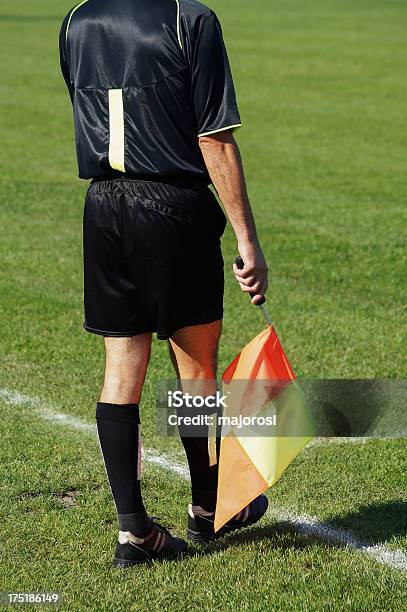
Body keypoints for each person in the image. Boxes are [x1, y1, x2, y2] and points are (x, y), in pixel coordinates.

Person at [59, 0, 269, 567]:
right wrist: (247, 240)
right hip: (173, 208)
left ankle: (134, 532)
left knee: (121, 367)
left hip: (102, 207)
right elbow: (214, 138)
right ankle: (208, 507)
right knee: (194, 366)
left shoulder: (76, 18)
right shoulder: (189, 18)